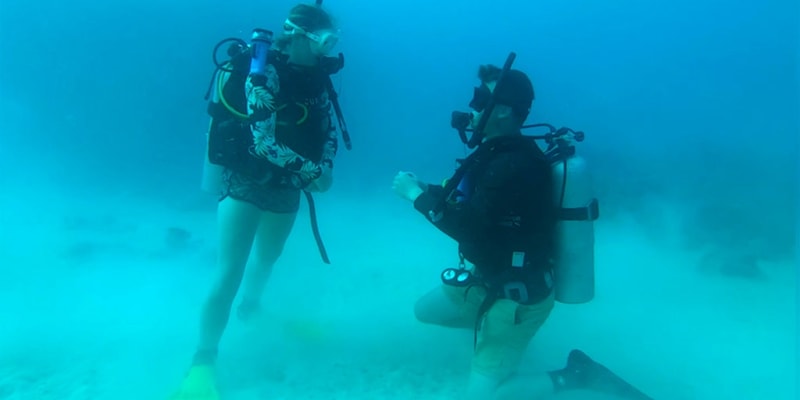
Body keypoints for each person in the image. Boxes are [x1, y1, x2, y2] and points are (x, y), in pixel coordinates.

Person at [392, 61, 652, 400]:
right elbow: (466, 202)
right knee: (424, 312)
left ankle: (578, 374)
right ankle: (494, 342)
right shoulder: (495, 155)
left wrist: (415, 197)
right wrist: (425, 188)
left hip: (515, 300)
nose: (472, 109)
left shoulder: (513, 165)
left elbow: (469, 228)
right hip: (485, 279)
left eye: (479, 100)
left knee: (487, 396)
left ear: (501, 110)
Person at [171, 3, 345, 399]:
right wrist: (315, 172)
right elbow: (262, 141)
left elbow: (328, 128)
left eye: (333, 40)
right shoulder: (262, 73)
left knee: (268, 258)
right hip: (246, 181)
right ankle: (202, 361)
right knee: (229, 271)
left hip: (289, 184)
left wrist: (324, 165)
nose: (329, 49)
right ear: (299, 35)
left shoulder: (317, 77)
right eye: (325, 40)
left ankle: (252, 311)